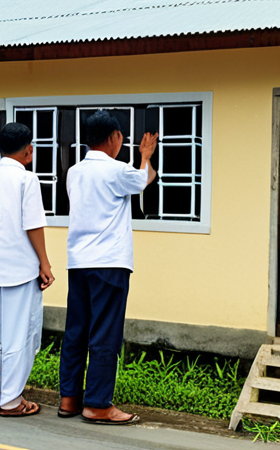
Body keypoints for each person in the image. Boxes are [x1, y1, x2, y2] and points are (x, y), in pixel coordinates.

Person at [58, 110, 158, 425]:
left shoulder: (74, 172)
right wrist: (145, 156)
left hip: (79, 263)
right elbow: (145, 179)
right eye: (121, 137)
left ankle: (69, 398)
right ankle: (98, 404)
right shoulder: (117, 170)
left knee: (76, 330)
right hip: (109, 264)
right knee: (105, 333)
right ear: (115, 138)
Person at [0, 122, 55, 418]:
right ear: (29, 150)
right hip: (20, 269)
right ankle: (11, 401)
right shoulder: (27, 180)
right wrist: (44, 262)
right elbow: (33, 225)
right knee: (20, 335)